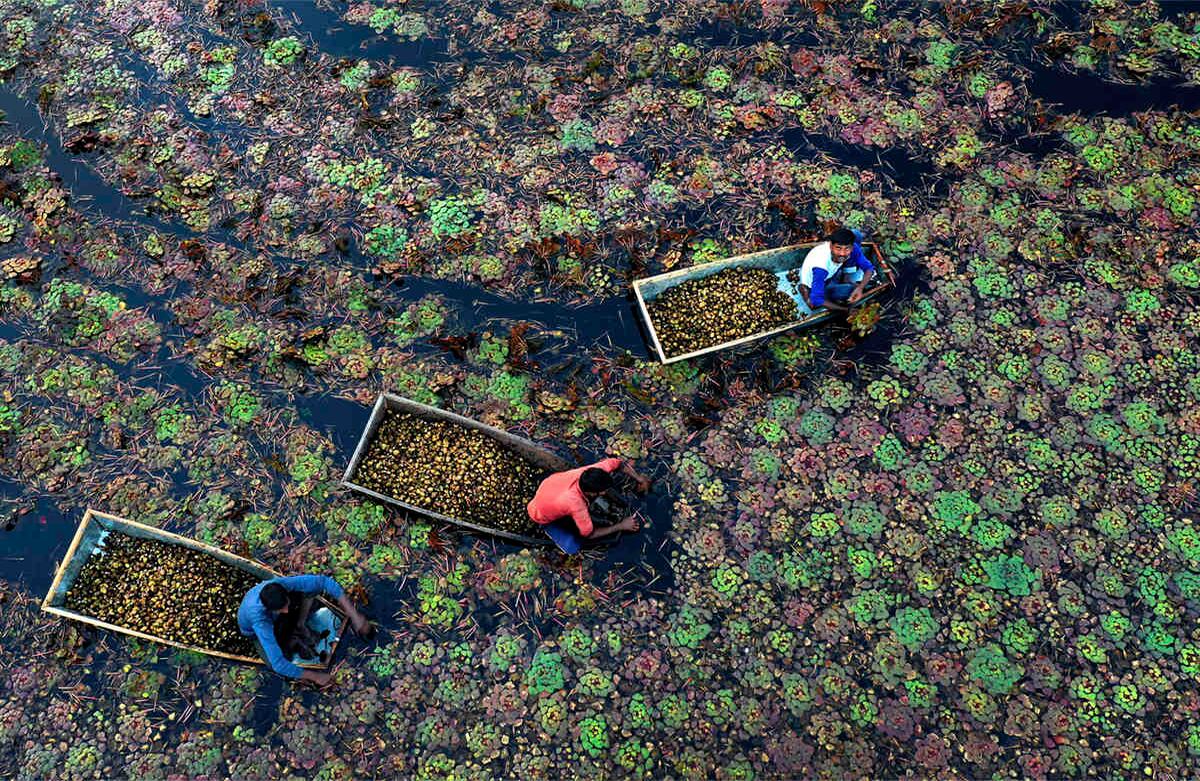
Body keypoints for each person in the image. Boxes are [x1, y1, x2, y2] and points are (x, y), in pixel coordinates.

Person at [237, 574, 373, 687]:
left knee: (311, 590)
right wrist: (315, 676)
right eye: (281, 609)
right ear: (271, 610)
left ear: (285, 593)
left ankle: (300, 624)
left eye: (286, 605)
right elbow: (278, 664)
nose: (286, 611)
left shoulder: (281, 584)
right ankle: (290, 636)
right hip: (255, 631)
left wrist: (356, 617)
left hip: (277, 613)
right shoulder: (260, 621)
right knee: (276, 663)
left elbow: (324, 581)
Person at [527, 457, 652, 554]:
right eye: (601, 491)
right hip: (539, 515)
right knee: (575, 545)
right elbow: (589, 534)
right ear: (590, 493)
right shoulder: (576, 504)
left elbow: (618, 463)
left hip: (547, 488)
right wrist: (621, 525)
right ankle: (548, 527)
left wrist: (639, 479)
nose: (603, 493)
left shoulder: (590, 471)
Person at [796, 227, 875, 312]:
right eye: (838, 248)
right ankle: (806, 292)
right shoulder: (821, 267)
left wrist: (860, 288)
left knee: (856, 234)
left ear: (852, 247)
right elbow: (816, 299)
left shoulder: (853, 248)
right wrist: (846, 310)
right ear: (830, 246)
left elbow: (869, 268)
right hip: (817, 283)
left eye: (847, 248)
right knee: (849, 290)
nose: (842, 253)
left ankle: (846, 277)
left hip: (833, 270)